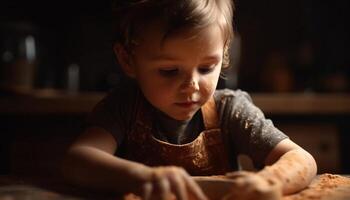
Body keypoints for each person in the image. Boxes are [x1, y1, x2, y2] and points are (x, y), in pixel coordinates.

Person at [61, 0, 317, 199]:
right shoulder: (123, 107)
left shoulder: (230, 110)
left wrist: (270, 180)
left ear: (224, 53)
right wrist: (141, 177)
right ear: (128, 60)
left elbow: (302, 159)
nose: (192, 85)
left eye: (206, 68)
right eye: (169, 71)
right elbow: (78, 160)